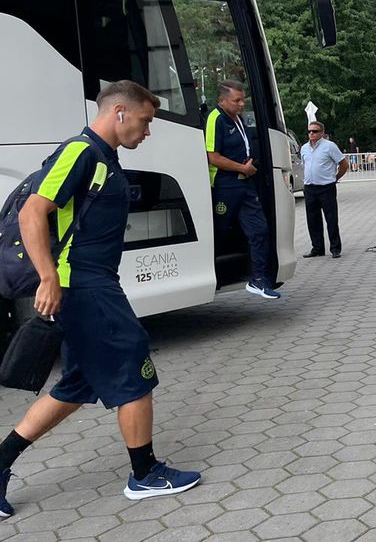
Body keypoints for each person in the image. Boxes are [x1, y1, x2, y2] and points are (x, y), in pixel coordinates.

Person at [0, 81, 201, 518]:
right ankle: (144, 473)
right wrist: (48, 277)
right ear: (119, 112)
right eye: (145, 120)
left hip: (92, 282)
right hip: (82, 285)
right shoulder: (81, 151)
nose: (147, 131)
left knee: (78, 384)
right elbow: (33, 211)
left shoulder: (104, 157)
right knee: (133, 361)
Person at [205, 80, 279, 299]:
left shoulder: (238, 119)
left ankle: (258, 279)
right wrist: (241, 168)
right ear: (222, 100)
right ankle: (210, 276)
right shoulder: (215, 118)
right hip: (224, 185)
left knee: (259, 230)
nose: (241, 104)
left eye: (243, 99)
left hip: (245, 184)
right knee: (219, 233)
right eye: (236, 100)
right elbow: (212, 156)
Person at [299, 122, 349, 259]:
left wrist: (335, 177)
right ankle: (317, 248)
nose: (311, 134)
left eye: (314, 131)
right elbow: (305, 165)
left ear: (321, 133)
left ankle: (335, 248)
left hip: (326, 187)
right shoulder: (304, 148)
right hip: (310, 188)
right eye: (309, 131)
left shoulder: (329, 146)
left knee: (331, 218)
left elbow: (344, 164)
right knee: (312, 219)